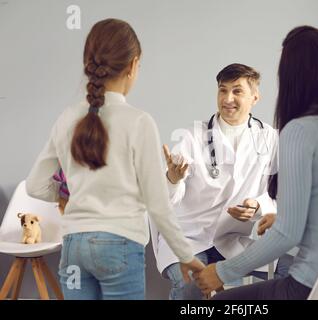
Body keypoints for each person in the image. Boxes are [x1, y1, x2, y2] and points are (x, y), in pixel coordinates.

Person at [26, 18, 204, 300]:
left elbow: (34, 185)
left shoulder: (66, 118)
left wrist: (66, 199)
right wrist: (185, 255)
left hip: (73, 247)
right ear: (133, 65)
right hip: (120, 245)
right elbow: (158, 205)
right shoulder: (139, 123)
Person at [193, 26, 318, 300]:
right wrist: (283, 218)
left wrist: (222, 272)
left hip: (308, 287)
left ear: (291, 73)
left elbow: (286, 236)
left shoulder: (299, 132)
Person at [152, 63, 290, 300]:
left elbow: (281, 194)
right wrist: (172, 179)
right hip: (189, 238)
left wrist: (258, 207)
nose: (228, 98)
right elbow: (166, 200)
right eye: (222, 90)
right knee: (191, 288)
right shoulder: (193, 137)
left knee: (293, 273)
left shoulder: (269, 138)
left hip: (233, 241)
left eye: (237, 91)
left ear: (255, 97)